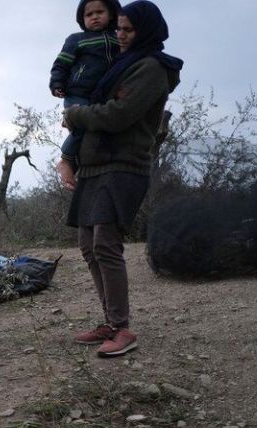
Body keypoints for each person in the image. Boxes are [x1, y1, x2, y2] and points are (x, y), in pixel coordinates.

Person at [62, 0, 183, 357]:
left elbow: (120, 115)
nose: (121, 35)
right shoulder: (121, 65)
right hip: (96, 164)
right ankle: (110, 322)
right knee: (88, 245)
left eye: (128, 30)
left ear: (145, 30)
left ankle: (122, 328)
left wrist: (78, 115)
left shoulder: (150, 69)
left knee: (105, 244)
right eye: (120, 29)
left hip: (123, 165)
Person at [49, 0, 122, 190]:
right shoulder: (77, 39)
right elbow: (60, 64)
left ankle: (87, 170)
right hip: (77, 93)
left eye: (100, 12)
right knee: (83, 124)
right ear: (82, 19)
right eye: (89, 14)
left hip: (103, 96)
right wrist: (57, 83)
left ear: (112, 14)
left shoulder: (117, 39)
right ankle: (66, 160)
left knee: (99, 131)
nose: (95, 16)